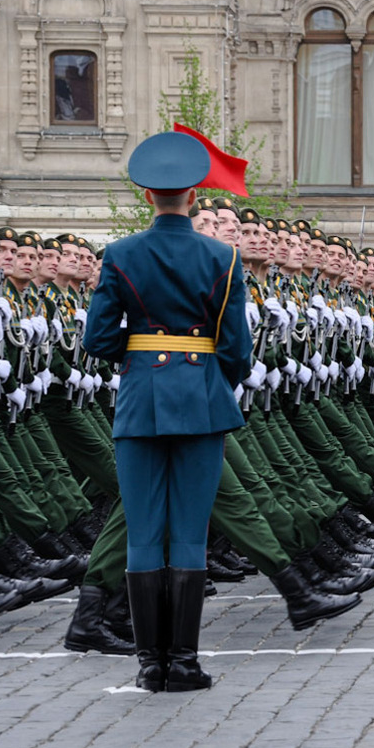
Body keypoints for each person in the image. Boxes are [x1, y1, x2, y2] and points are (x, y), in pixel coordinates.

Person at [83, 132, 252, 693]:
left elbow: (98, 338)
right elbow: (236, 348)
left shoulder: (120, 254)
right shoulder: (223, 256)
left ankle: (148, 664)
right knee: (189, 535)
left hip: (140, 401)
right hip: (203, 399)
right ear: (194, 197)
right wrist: (205, 377)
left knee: (141, 533)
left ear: (147, 196)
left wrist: (142, 358)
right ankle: (183, 662)